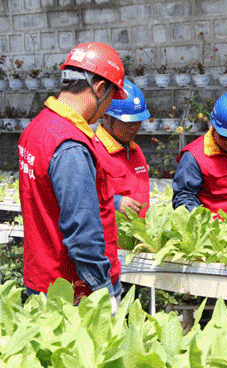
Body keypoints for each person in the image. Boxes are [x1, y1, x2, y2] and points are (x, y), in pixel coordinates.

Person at [18, 42, 127, 314]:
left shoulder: (37, 128)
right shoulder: (70, 146)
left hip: (42, 282)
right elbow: (83, 234)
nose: (108, 108)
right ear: (99, 89)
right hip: (75, 292)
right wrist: (104, 295)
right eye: (112, 97)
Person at [95, 79, 151, 218]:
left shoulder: (135, 150)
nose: (134, 127)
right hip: (111, 236)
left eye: (138, 121)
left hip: (138, 235)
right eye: (127, 122)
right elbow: (79, 197)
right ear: (107, 117)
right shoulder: (93, 151)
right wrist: (115, 202)